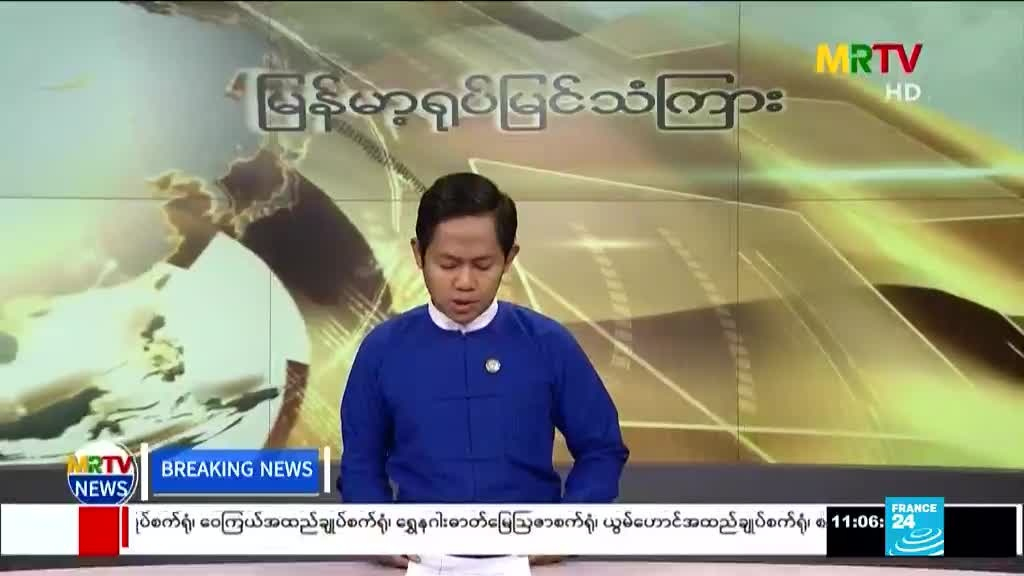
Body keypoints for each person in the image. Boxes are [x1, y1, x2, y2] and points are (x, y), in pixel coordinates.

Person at [339, 172, 629, 569]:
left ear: (509, 258)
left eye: (482, 265)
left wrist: (566, 532)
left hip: (529, 562)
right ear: (418, 255)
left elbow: (602, 448)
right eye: (447, 264)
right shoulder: (383, 349)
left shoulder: (548, 343)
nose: (464, 282)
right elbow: (361, 460)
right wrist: (377, 533)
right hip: (421, 561)